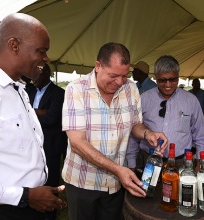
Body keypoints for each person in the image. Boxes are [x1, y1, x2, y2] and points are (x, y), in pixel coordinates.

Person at [0, 13, 67, 220]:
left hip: (29, 205)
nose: (46, 59)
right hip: (0, 211)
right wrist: (24, 196)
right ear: (14, 45)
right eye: (41, 51)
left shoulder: (19, 90)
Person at [61, 42, 168, 220]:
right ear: (98, 66)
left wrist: (148, 133)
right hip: (83, 182)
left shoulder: (131, 89)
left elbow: (135, 125)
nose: (119, 82)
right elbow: (77, 142)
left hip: (115, 184)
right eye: (113, 75)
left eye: (124, 76)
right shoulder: (76, 89)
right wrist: (118, 170)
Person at [126, 55, 204, 171]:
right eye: (162, 80)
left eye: (172, 79)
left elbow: (201, 134)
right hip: (149, 161)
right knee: (148, 189)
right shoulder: (144, 99)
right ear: (156, 78)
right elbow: (134, 132)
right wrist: (131, 164)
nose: (168, 85)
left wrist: (200, 163)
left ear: (178, 77)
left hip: (181, 163)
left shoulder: (191, 100)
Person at [27, 63, 67, 220]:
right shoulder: (27, 90)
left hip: (50, 147)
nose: (33, 78)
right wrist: (40, 112)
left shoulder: (59, 93)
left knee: (50, 184)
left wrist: (30, 112)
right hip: (31, 146)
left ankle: (49, 215)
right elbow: (21, 112)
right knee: (33, 182)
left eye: (36, 74)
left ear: (46, 74)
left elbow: (51, 119)